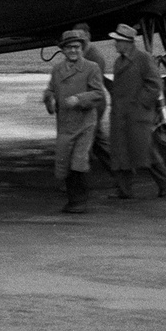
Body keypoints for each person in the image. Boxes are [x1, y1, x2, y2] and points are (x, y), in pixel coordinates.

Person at [106, 23, 166, 199]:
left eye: (118, 41)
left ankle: (165, 183)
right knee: (121, 153)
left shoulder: (143, 58)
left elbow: (155, 84)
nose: (115, 44)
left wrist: (141, 104)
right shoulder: (119, 61)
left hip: (137, 116)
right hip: (121, 115)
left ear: (127, 42)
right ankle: (124, 190)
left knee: (145, 152)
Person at [42, 29, 107, 214]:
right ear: (63, 50)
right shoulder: (57, 70)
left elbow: (98, 94)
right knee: (63, 163)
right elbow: (50, 90)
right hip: (65, 124)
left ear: (82, 48)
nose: (73, 51)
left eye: (77, 47)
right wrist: (50, 99)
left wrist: (79, 99)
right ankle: (72, 200)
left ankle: (79, 201)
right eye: (69, 47)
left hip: (85, 123)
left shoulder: (91, 67)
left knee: (78, 161)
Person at [73, 22, 115, 177]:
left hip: (93, 104)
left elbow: (91, 86)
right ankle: (121, 174)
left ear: (88, 36)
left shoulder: (94, 57)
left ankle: (77, 182)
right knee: (97, 143)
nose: (77, 39)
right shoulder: (81, 54)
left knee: (84, 143)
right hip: (86, 103)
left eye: (80, 35)